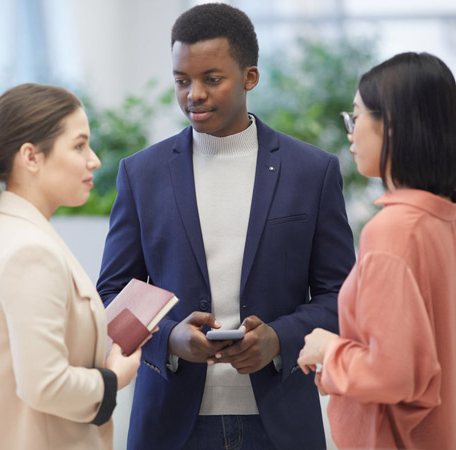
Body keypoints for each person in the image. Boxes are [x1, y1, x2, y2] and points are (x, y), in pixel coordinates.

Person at [97, 3, 355, 450]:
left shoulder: (311, 171)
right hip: (172, 424)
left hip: (279, 421)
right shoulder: (142, 174)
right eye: (182, 80)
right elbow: (113, 292)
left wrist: (279, 338)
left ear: (250, 77)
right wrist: (170, 337)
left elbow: (341, 296)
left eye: (211, 79)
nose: (193, 94)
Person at [0, 83, 144, 450]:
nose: (94, 160)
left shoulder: (2, 232)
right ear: (31, 157)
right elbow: (45, 384)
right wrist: (114, 378)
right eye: (78, 145)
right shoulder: (28, 250)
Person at [297, 52, 456, 449]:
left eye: (356, 116)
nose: (350, 132)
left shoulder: (392, 231)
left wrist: (328, 349)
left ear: (393, 127)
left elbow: (393, 374)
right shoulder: (441, 220)